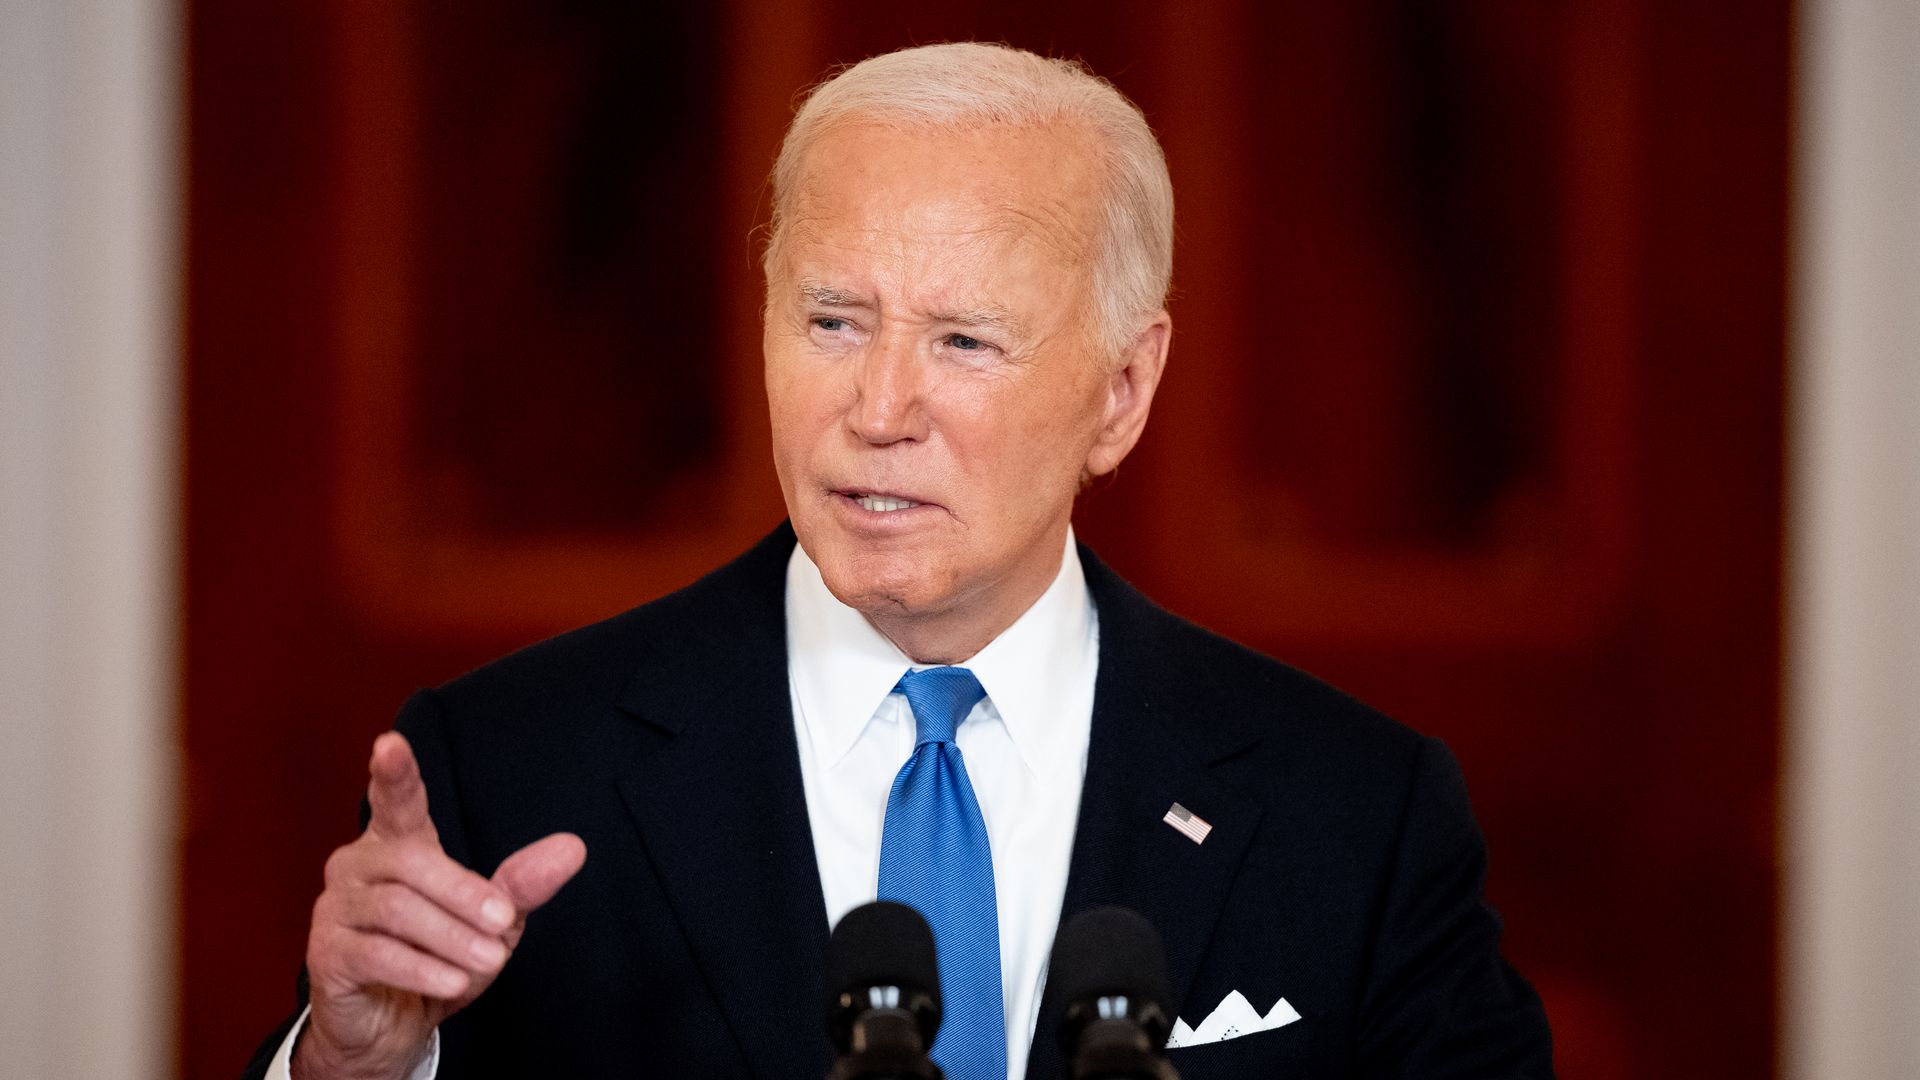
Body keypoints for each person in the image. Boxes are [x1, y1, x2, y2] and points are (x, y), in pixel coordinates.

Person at [246, 41, 1553, 1080]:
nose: (877, 409)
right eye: (832, 320)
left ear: (1122, 391)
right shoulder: (506, 773)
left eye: (964, 341)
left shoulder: (1357, 815)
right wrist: (354, 1066)